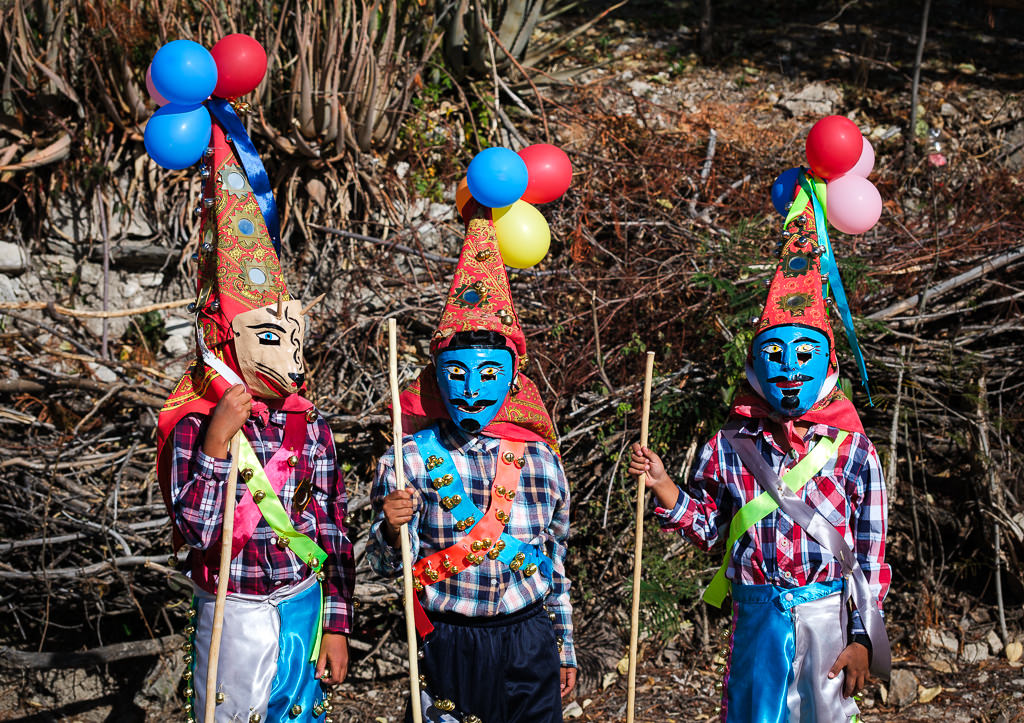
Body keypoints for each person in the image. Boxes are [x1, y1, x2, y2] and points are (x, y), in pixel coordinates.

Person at [629, 190, 891, 722]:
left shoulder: (855, 453)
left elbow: (868, 555)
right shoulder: (729, 446)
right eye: (773, 355)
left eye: (803, 354)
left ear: (827, 363)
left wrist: (865, 637)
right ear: (753, 366)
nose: (789, 367)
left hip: (829, 617)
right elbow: (712, 528)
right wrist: (663, 485)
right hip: (756, 616)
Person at [156, 109, 354, 723]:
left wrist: (339, 621)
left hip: (301, 599)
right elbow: (195, 530)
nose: (289, 353)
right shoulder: (194, 422)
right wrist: (218, 442)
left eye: (294, 335)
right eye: (271, 336)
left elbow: (329, 520)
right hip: (232, 605)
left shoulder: (309, 423)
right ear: (226, 337)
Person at [367, 202, 577, 723]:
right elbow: (384, 564)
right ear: (436, 378)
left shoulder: (541, 460)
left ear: (512, 379)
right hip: (449, 642)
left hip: (529, 636)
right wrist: (389, 528)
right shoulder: (406, 458)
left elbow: (555, 556)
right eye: (456, 373)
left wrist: (563, 643)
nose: (472, 387)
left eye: (489, 373)